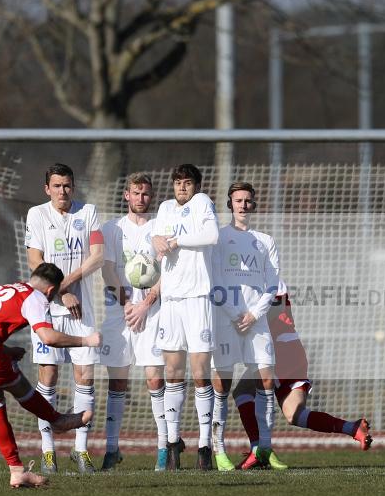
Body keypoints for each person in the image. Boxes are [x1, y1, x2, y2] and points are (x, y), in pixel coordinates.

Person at [0, 263, 99, 487]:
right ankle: (58, 420)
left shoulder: (5, 288)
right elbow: (47, 337)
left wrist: (6, 351)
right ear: (50, 290)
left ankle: (17, 471)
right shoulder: (36, 298)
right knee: (22, 389)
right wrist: (86, 340)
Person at [227, 286, 374, 470]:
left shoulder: (269, 274)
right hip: (285, 347)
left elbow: (276, 308)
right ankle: (353, 428)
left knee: (243, 392)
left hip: (279, 347)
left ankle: (257, 449)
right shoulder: (254, 275)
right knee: (294, 414)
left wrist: (247, 317)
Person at [24, 163, 105, 475]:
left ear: (74, 186)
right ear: (47, 189)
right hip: (46, 309)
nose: (62, 191)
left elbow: (96, 256)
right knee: (49, 377)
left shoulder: (89, 213)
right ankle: (48, 452)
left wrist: (67, 286)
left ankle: (81, 450)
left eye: (67, 185)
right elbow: (35, 261)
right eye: (56, 186)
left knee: (85, 377)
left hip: (81, 309)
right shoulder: (37, 214)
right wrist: (60, 293)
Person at [151, 164, 219, 470]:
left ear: (196, 186)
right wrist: (157, 243)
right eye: (178, 182)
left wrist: (176, 240)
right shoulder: (165, 208)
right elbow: (156, 242)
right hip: (171, 300)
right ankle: (174, 440)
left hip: (197, 298)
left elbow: (211, 235)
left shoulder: (203, 203)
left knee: (200, 369)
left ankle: (205, 444)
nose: (182, 188)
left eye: (187, 183)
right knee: (172, 370)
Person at [208, 182, 280, 471]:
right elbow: (213, 281)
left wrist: (253, 315)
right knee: (221, 386)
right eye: (238, 200)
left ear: (254, 204)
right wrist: (236, 313)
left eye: (248, 200)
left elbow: (273, 285)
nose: (243, 205)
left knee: (265, 380)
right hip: (226, 320)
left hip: (256, 322)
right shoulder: (218, 238)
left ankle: (264, 447)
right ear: (230, 204)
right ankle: (219, 449)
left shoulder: (265, 240)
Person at [98, 172, 165, 471]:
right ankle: (111, 450)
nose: (141, 199)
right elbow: (108, 270)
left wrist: (146, 304)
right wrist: (128, 305)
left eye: (146, 194)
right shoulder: (112, 228)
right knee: (117, 381)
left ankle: (165, 449)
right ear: (126, 195)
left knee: (154, 378)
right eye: (136, 193)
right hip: (119, 314)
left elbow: (168, 272)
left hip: (153, 314)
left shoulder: (160, 228)